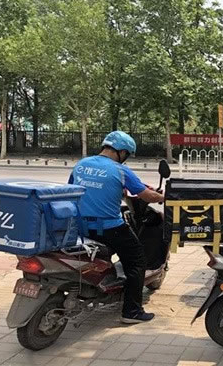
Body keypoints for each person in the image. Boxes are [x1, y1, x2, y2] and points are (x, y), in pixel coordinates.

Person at [68, 131, 164, 324]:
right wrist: (163, 197)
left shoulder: (81, 165)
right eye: (126, 154)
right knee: (137, 260)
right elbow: (147, 196)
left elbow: (71, 189)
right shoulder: (120, 170)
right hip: (109, 228)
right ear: (122, 152)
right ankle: (132, 312)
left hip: (80, 227)